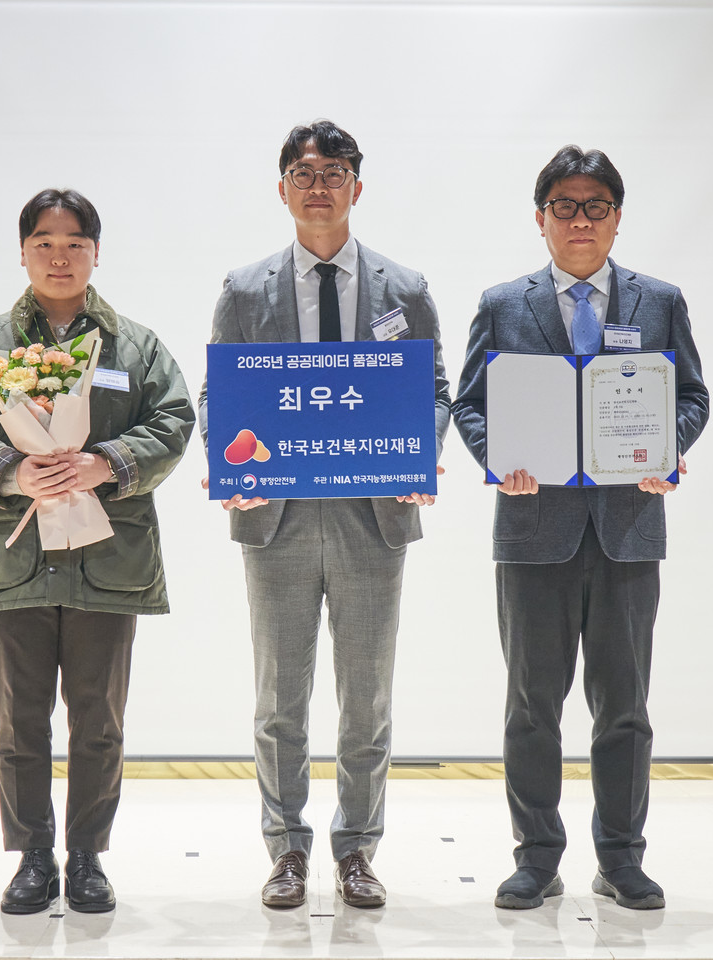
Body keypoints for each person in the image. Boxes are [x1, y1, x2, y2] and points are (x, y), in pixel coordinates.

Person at [198, 120, 450, 909]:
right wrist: (224, 467)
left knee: (367, 695)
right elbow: (218, 396)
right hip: (274, 514)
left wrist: (419, 452)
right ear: (282, 189)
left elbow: (434, 393)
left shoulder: (404, 289)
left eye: (334, 172)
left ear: (356, 188)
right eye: (304, 173)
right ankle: (285, 850)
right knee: (281, 697)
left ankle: (357, 849)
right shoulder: (245, 290)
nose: (318, 185)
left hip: (372, 516)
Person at [451, 146, 708, 911]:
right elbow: (470, 404)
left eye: (597, 205)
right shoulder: (504, 304)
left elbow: (691, 396)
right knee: (532, 704)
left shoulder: (659, 302)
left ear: (618, 218)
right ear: (541, 220)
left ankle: (622, 858)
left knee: (624, 704)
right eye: (564, 205)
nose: (581, 220)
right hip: (534, 530)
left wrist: (670, 451)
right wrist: (500, 459)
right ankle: (536, 857)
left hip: (629, 528)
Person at [0, 188, 194, 915]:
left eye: (74, 242)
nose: (59, 255)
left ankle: (86, 858)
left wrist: (106, 462)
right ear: (22, 251)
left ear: (95, 253)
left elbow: (174, 418)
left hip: (107, 560)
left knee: (98, 721)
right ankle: (33, 857)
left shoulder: (133, 347)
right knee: (18, 721)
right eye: (44, 241)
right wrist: (14, 471)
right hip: (15, 558)